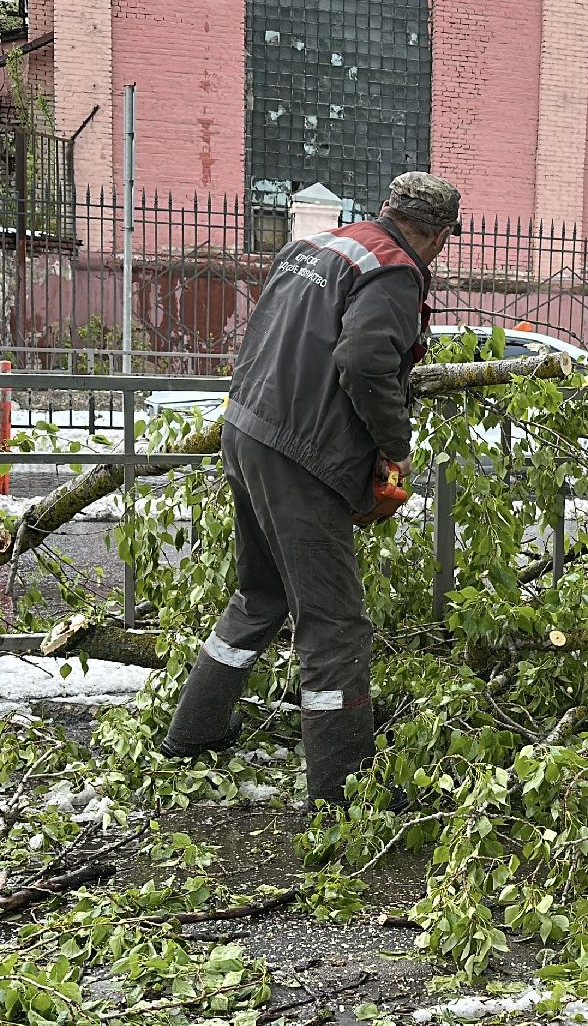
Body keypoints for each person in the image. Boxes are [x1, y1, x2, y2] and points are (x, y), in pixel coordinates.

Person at [159, 171, 462, 812]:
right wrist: (394, 445)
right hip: (301, 454)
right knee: (334, 625)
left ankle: (194, 733)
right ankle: (342, 788)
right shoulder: (394, 270)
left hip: (246, 430)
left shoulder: (313, 249)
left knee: (260, 593)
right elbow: (363, 361)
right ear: (437, 234)